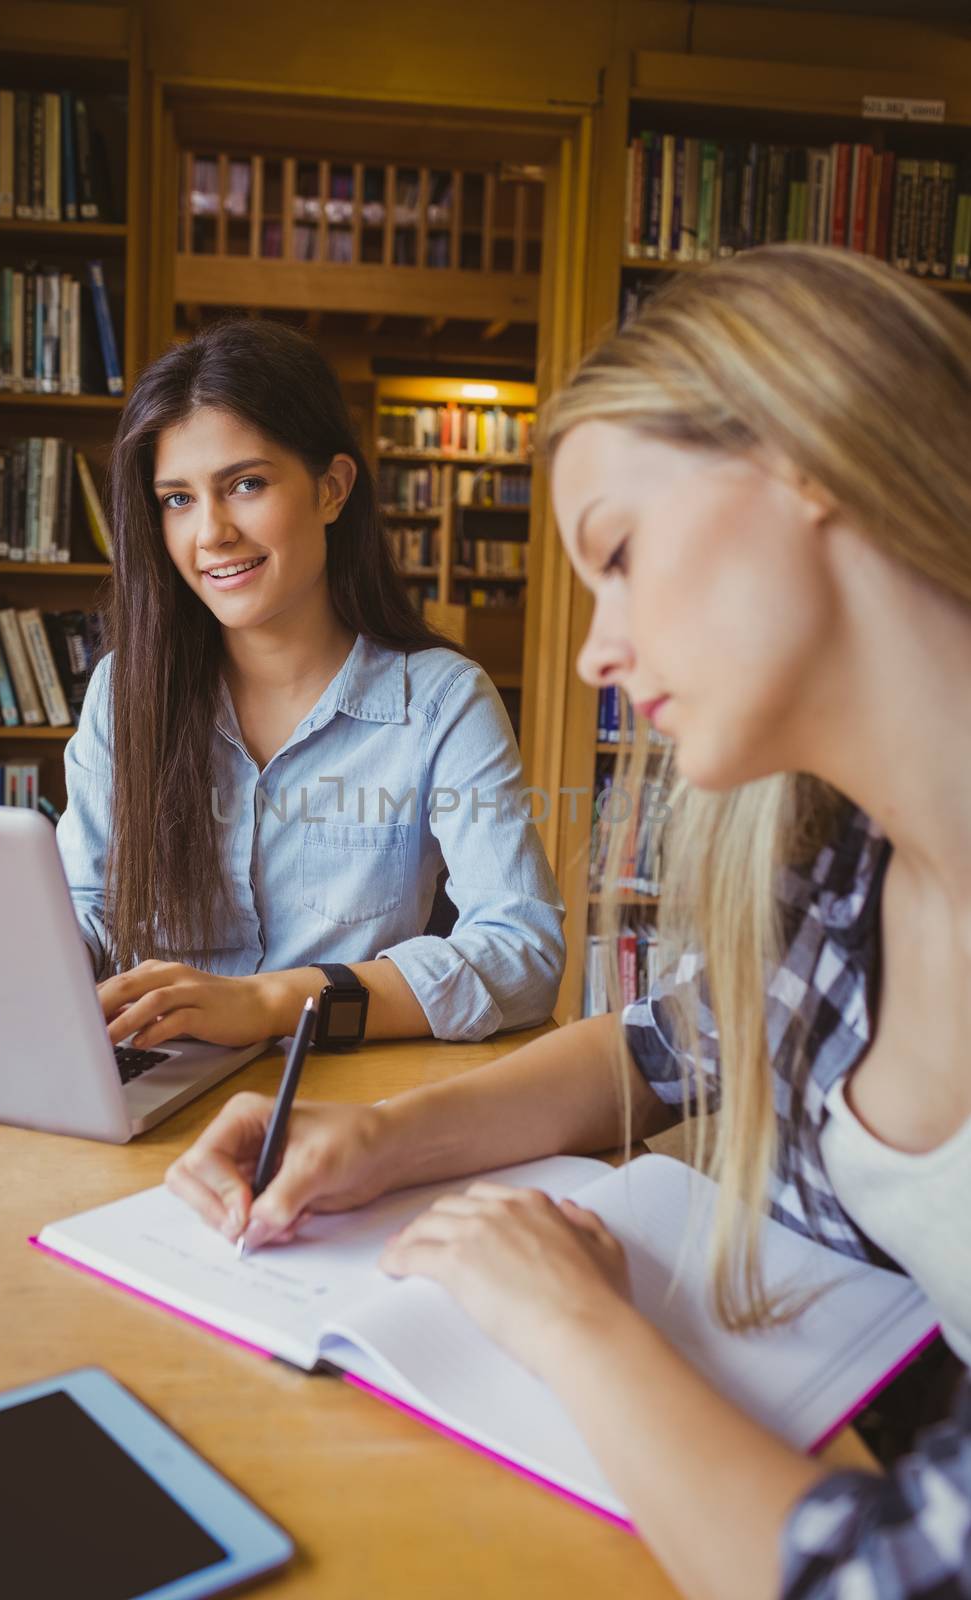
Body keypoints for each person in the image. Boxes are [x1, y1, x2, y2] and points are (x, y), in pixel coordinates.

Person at [167, 245, 971, 1598]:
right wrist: (375, 1136)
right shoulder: (838, 870)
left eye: (616, 553)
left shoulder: (430, 698)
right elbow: (656, 1050)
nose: (594, 651)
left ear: (812, 460)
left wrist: (571, 1324)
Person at [56, 317, 564, 1047]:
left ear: (332, 490)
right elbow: (88, 905)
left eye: (246, 484)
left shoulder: (442, 702)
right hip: (145, 1073)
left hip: (336, 1093)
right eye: (177, 499)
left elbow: (524, 949)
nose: (210, 534)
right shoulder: (123, 690)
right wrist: (45, 974)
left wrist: (270, 1003)